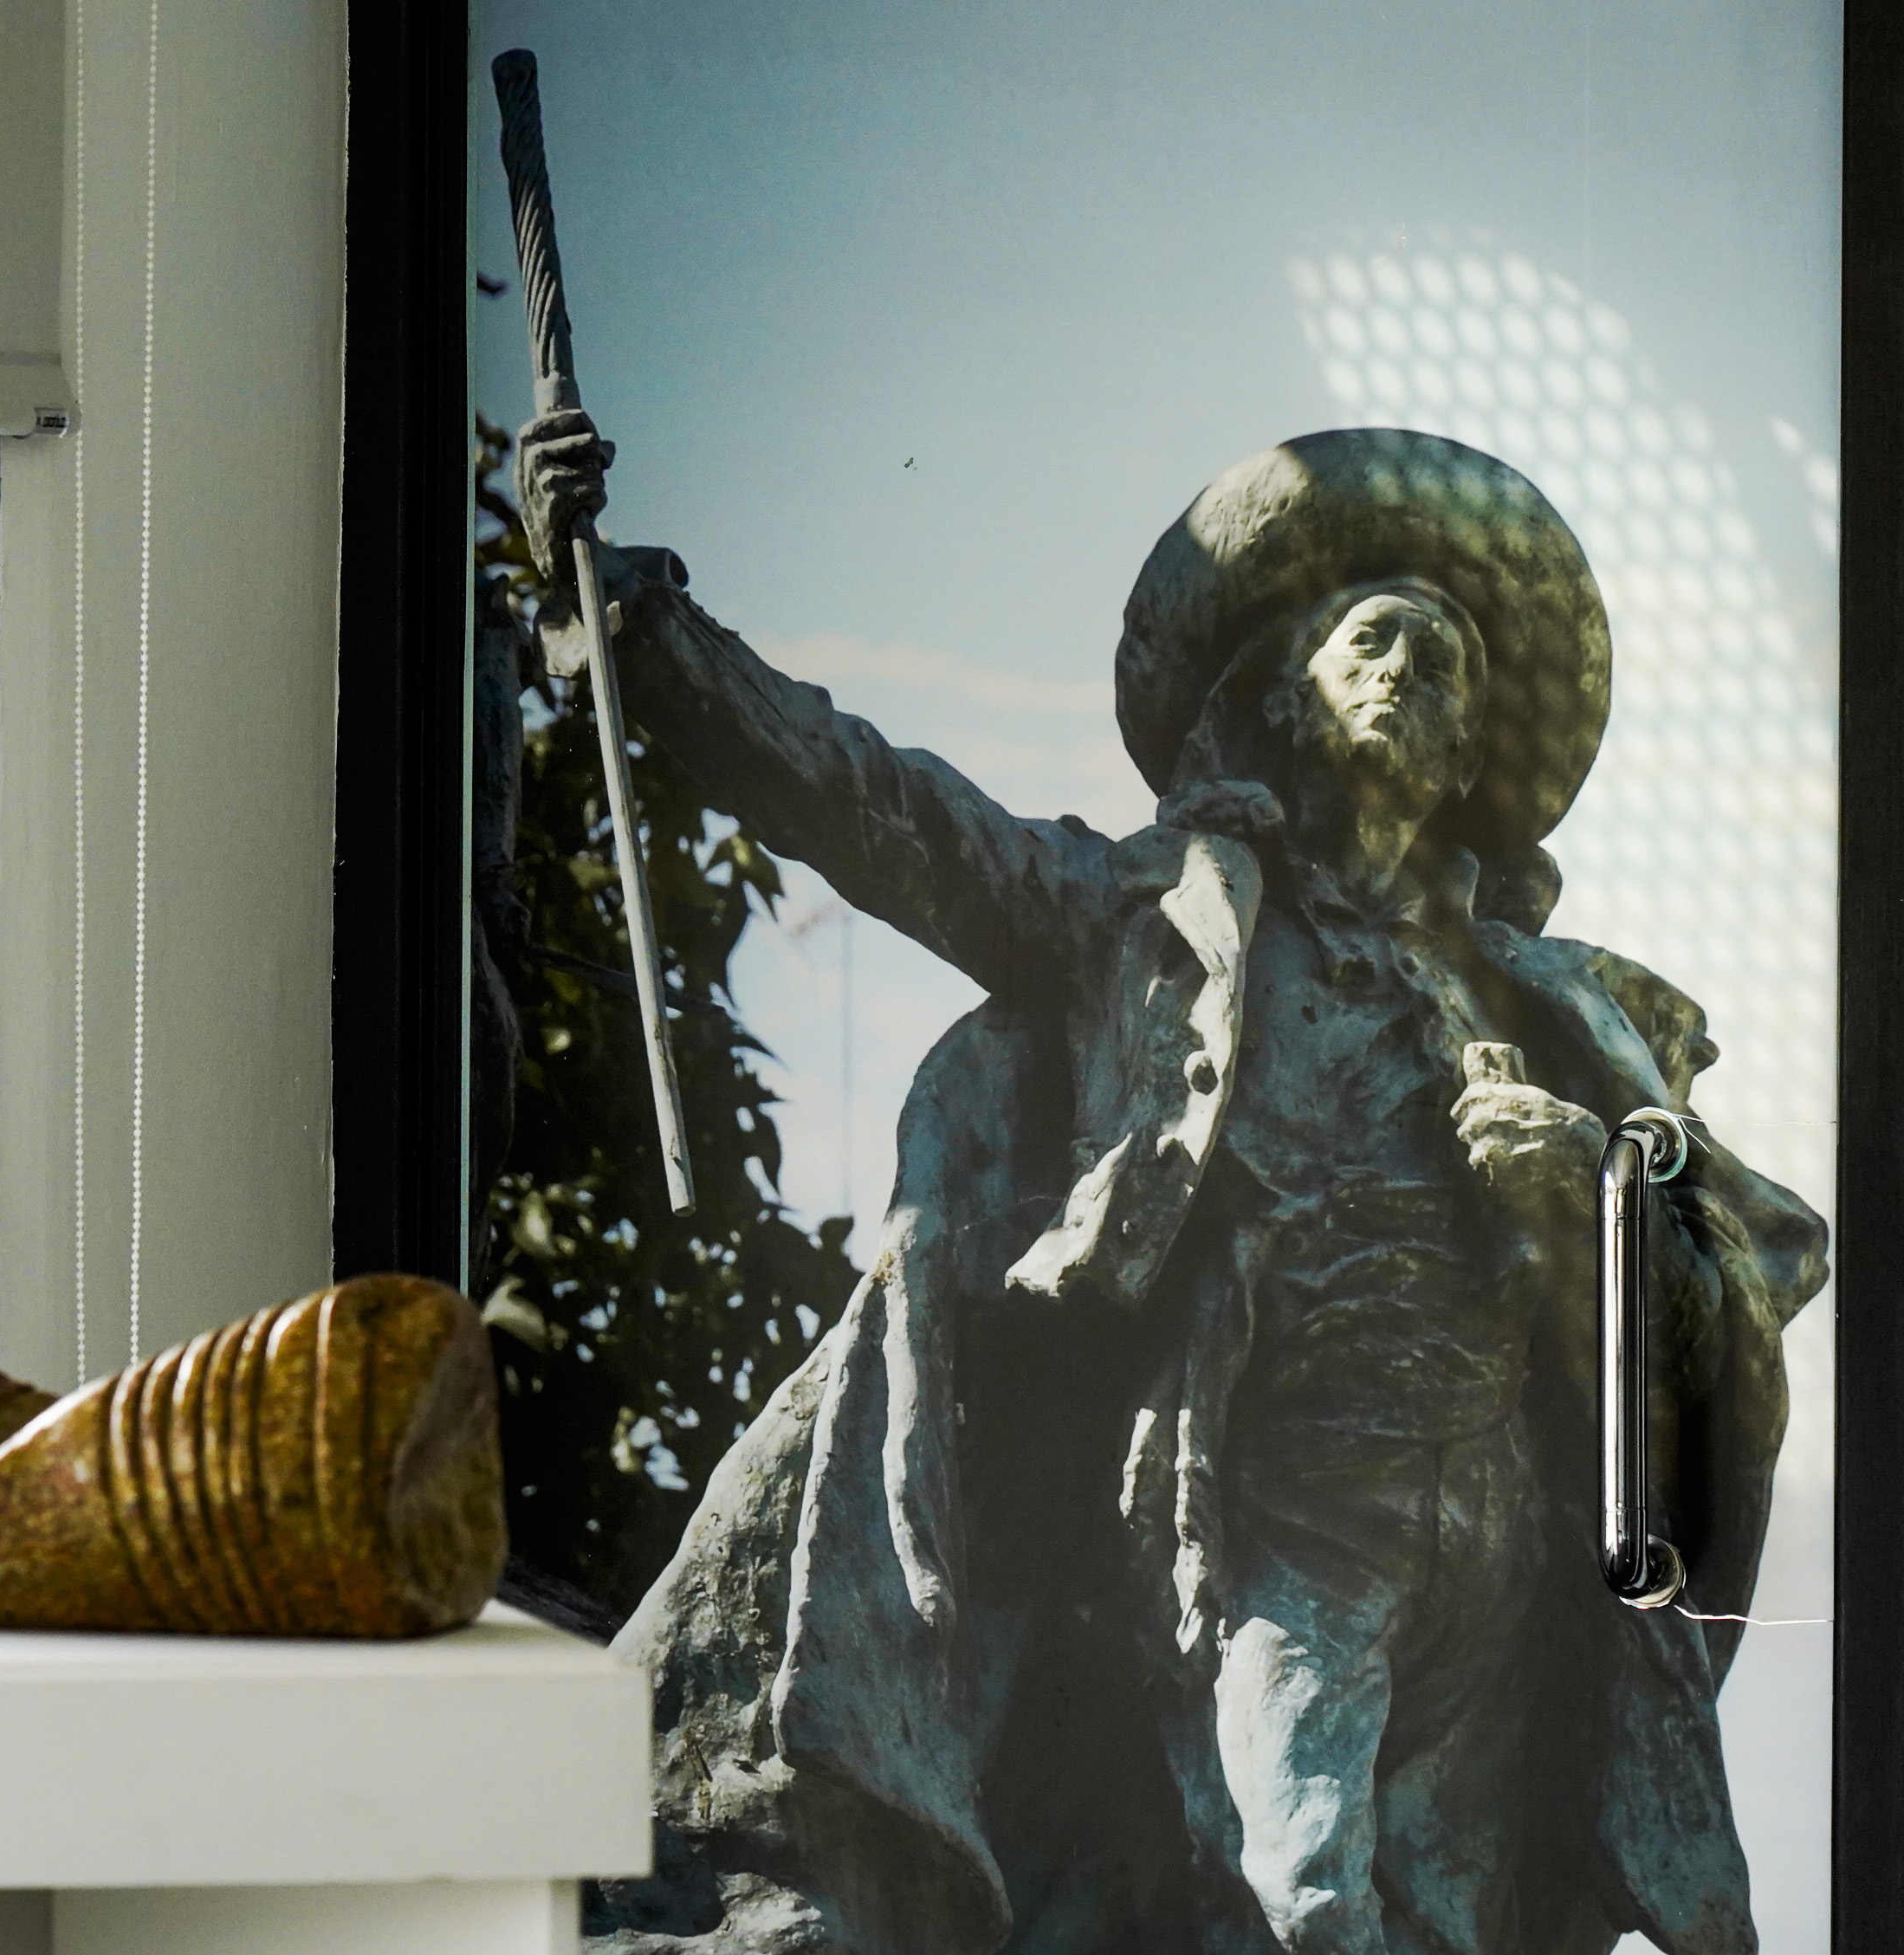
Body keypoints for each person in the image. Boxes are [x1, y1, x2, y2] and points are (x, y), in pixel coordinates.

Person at [514, 412, 1827, 1955]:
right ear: (1280, 693)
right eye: (1375, 639)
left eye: (1449, 664)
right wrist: (646, 640)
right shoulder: (1158, 914)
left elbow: (1754, 1263)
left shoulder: (1554, 1008)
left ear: (1471, 754)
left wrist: (1587, 1182)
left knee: (1444, 1926)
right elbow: (893, 813)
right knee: (1301, 1900)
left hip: (1498, 1546)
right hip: (1280, 1510)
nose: (1411, 670)